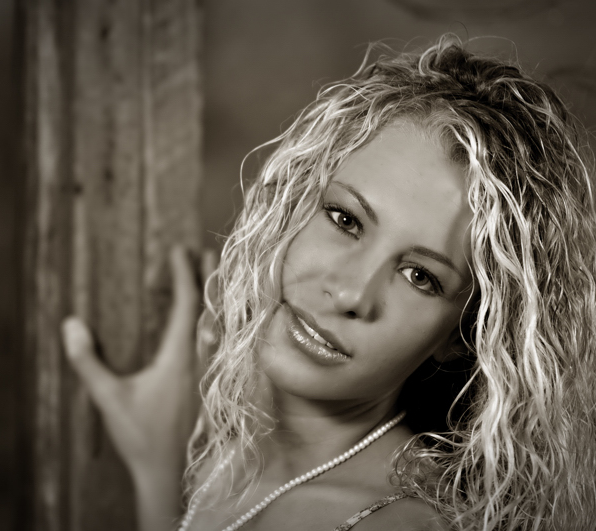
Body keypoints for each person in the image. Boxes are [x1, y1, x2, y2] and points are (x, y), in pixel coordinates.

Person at [61, 34, 596, 531]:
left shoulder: (399, 524)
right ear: (291, 204)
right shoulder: (220, 465)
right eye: (345, 220)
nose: (350, 294)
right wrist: (159, 469)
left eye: (420, 277)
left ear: (461, 335)